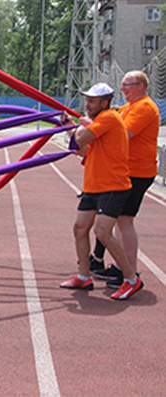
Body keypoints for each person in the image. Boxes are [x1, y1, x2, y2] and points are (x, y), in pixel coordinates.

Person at [59, 83, 141, 300]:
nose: (87, 105)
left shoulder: (108, 117)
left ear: (104, 103)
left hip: (113, 186)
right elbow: (80, 149)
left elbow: (81, 139)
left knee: (103, 233)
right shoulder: (97, 123)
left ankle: (132, 279)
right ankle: (84, 276)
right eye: (86, 100)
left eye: (92, 101)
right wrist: (71, 126)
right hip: (94, 185)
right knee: (79, 228)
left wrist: (78, 127)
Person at [88, 71, 160, 289]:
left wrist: (93, 130)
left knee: (124, 220)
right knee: (117, 219)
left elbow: (122, 133)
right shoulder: (126, 108)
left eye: (127, 85)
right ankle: (111, 263)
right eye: (122, 85)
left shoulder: (144, 107)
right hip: (125, 169)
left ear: (140, 86)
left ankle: (128, 269)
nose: (123, 90)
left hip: (137, 171)